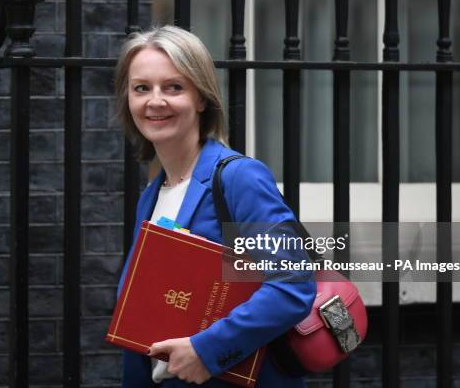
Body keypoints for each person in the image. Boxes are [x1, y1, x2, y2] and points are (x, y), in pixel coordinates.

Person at [114, 25, 316, 387]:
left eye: (173, 87)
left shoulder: (240, 179)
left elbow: (292, 285)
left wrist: (206, 351)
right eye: (141, 88)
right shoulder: (151, 196)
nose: (154, 101)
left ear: (201, 98)